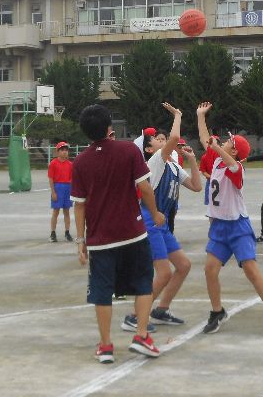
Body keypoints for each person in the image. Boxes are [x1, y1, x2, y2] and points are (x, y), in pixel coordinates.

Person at [72, 104, 165, 363]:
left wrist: (80, 240)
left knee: (102, 292)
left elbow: (79, 204)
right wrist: (155, 213)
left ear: (85, 132)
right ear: (109, 127)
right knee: (143, 283)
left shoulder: (80, 162)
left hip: (100, 240)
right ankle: (142, 335)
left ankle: (105, 346)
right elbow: (145, 188)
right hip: (133, 233)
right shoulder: (128, 150)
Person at [197, 102, 263, 337]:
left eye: (228, 142)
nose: (223, 142)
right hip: (218, 226)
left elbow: (233, 162)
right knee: (210, 270)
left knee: (251, 270)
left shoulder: (236, 169)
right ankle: (217, 311)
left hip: (237, 226)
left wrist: (218, 148)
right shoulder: (215, 160)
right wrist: (200, 116)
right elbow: (206, 139)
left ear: (233, 151)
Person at [122, 103, 204, 332]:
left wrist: (193, 161)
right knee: (164, 272)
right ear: (149, 149)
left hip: (162, 221)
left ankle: (161, 310)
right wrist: (178, 114)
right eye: (157, 139)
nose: (162, 140)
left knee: (184, 265)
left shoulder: (175, 167)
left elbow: (197, 186)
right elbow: (175, 136)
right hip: (149, 219)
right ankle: (133, 316)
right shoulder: (155, 161)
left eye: (162, 138)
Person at [47, 141, 74, 243]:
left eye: (66, 150)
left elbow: (72, 179)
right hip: (58, 187)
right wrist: (53, 192)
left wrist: (72, 191)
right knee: (56, 211)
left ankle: (67, 232)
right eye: (62, 150)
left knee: (67, 211)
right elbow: (51, 178)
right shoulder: (53, 163)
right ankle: (53, 233)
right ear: (57, 152)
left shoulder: (71, 164)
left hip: (67, 188)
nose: (64, 152)